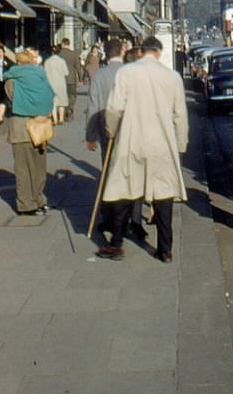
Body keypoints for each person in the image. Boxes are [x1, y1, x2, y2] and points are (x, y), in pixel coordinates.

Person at [97, 36, 189, 262]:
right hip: (162, 143)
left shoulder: (126, 73)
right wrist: (180, 144)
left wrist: (111, 131)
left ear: (142, 51)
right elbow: (180, 115)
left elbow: (113, 108)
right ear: (158, 52)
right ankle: (165, 249)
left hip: (132, 139)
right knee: (163, 196)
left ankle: (116, 244)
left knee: (124, 192)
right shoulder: (172, 77)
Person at [4, 49, 55, 215]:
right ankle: (39, 199)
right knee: (39, 167)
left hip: (21, 128)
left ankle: (26, 204)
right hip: (40, 126)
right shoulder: (41, 77)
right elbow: (51, 95)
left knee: (23, 169)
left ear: (18, 63)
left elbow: (11, 98)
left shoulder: (11, 81)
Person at [85, 39, 126, 236]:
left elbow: (92, 107)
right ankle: (125, 219)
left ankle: (108, 216)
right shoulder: (129, 73)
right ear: (122, 52)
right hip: (127, 130)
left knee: (108, 173)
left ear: (106, 54)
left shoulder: (99, 76)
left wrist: (90, 135)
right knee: (126, 173)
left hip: (105, 131)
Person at [44, 46, 69, 124]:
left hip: (50, 84)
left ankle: (54, 119)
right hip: (60, 84)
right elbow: (66, 73)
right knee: (62, 102)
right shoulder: (62, 61)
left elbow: (44, 73)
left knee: (53, 102)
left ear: (51, 52)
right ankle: (61, 119)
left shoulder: (47, 61)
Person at [59, 38, 82, 120]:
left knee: (63, 96)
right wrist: (80, 78)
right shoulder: (74, 54)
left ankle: (64, 112)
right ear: (69, 44)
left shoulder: (59, 54)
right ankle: (71, 109)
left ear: (62, 44)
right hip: (72, 78)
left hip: (61, 79)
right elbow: (78, 67)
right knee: (73, 95)